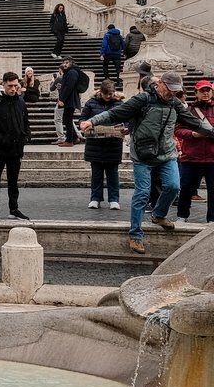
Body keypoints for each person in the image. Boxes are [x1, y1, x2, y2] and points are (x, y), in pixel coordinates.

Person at [80, 71, 214, 254]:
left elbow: (195, 123)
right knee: (142, 193)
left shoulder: (175, 104)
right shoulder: (142, 100)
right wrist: (93, 121)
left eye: (176, 91)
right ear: (160, 84)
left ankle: (158, 215)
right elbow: (115, 114)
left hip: (167, 154)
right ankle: (135, 235)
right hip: (143, 155)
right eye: (169, 89)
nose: (172, 94)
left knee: (174, 187)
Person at [0, 72, 31, 221]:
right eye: (10, 86)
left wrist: (27, 136)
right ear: (3, 84)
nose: (13, 89)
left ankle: (14, 209)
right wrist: (0, 139)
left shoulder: (21, 101)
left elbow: (26, 122)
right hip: (0, 148)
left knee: (13, 180)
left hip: (16, 148)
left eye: (16, 85)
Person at [80, 80, 125, 210]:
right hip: (95, 144)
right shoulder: (91, 103)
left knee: (113, 173)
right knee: (96, 173)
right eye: (106, 94)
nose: (108, 96)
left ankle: (114, 199)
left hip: (113, 144)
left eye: (110, 94)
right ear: (100, 92)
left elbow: (127, 120)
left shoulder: (119, 104)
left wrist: (125, 128)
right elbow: (82, 119)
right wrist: (83, 125)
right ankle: (95, 198)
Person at [175, 80, 214, 225]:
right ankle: (182, 215)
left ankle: (212, 219)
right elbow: (178, 129)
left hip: (212, 157)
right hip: (191, 156)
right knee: (185, 187)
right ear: (196, 93)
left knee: (213, 190)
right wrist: (192, 134)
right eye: (202, 90)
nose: (205, 93)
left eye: (208, 90)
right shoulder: (188, 110)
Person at [57, 55, 84, 146]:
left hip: (70, 99)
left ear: (71, 63)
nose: (64, 64)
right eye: (64, 62)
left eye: (67, 63)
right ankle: (74, 138)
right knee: (66, 119)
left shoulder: (72, 72)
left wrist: (62, 99)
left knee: (67, 119)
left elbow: (69, 87)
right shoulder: (69, 71)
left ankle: (69, 141)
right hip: (69, 99)